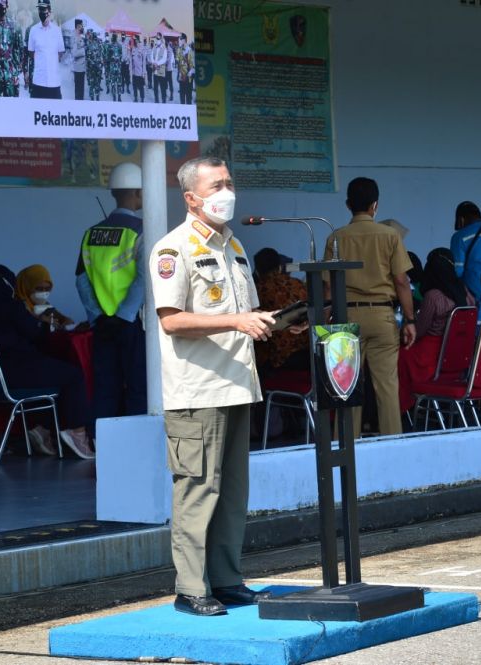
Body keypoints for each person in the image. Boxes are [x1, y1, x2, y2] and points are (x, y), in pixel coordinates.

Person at [149, 156, 275, 617]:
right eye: (216, 185)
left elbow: (245, 316)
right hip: (198, 391)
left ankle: (227, 579)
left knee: (233, 492)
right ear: (191, 198)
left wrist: (278, 324)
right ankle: (190, 588)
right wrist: (237, 320)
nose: (227, 191)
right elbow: (172, 319)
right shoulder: (172, 249)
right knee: (197, 489)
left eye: (228, 182)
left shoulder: (235, 247)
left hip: (238, 385)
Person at [0, 265, 93, 459]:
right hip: (16, 371)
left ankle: (39, 428)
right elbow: (35, 333)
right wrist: (42, 323)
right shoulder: (9, 306)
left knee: (49, 371)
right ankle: (77, 431)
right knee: (73, 375)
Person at [324, 177, 416, 439]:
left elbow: (328, 287)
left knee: (346, 387)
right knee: (386, 387)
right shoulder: (390, 236)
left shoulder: (336, 238)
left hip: (345, 315)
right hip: (382, 316)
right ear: (375, 205)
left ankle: (345, 447)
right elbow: (401, 281)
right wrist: (410, 320)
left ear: (347, 205)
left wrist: (326, 321)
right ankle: (392, 445)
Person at [76, 162, 147, 423]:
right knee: (138, 387)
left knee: (105, 388)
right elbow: (144, 280)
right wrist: (123, 316)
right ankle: (136, 447)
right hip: (132, 324)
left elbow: (81, 280)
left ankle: (103, 447)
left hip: (102, 326)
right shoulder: (141, 232)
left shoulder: (91, 234)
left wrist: (98, 316)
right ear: (139, 193)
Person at [397, 248, 474, 413]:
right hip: (455, 356)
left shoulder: (433, 296)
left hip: (430, 356)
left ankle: (402, 408)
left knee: (399, 355)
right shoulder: (466, 293)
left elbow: (420, 331)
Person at [252, 248, 309, 374]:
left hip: (276, 359)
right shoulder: (298, 284)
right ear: (279, 267)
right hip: (306, 353)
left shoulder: (257, 289)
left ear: (257, 270)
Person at [15, 265, 74, 330]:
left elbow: (63, 318)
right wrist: (39, 320)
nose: (44, 292)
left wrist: (66, 322)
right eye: (39, 288)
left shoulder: (45, 305)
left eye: (47, 288)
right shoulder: (16, 306)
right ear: (26, 287)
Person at [25, 0, 64, 99]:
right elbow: (31, 53)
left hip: (54, 82)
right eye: (40, 9)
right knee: (36, 112)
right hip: (39, 81)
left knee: (55, 112)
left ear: (49, 11)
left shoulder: (57, 31)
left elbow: (60, 53)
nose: (42, 12)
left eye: (44, 9)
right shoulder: (33, 30)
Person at [148, 33, 169, 103]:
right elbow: (151, 56)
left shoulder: (164, 48)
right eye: (156, 38)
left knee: (163, 88)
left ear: (161, 39)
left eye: (158, 38)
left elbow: (164, 59)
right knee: (155, 87)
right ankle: (156, 100)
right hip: (155, 71)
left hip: (161, 71)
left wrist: (157, 63)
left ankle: (163, 100)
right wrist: (153, 62)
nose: (157, 40)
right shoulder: (154, 47)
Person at [176, 33, 195, 104]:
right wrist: (178, 74)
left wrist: (188, 75)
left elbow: (193, 66)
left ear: (184, 40)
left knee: (188, 97)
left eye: (180, 39)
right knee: (182, 96)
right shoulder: (179, 49)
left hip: (188, 77)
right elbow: (178, 61)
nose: (179, 40)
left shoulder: (189, 50)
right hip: (181, 76)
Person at [84, 30, 102, 101]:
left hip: (95, 66)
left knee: (95, 82)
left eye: (91, 34)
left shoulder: (96, 44)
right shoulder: (88, 44)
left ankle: (95, 97)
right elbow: (86, 57)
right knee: (94, 83)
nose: (90, 35)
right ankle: (94, 97)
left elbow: (100, 55)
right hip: (92, 67)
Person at [70, 19, 85, 100]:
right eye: (81, 26)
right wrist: (84, 51)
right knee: (78, 89)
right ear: (77, 26)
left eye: (82, 26)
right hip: (77, 67)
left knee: (81, 89)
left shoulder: (82, 35)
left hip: (83, 67)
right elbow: (74, 53)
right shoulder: (73, 36)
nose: (82, 27)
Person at [106, 33, 122, 102]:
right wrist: (111, 58)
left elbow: (121, 55)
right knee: (113, 82)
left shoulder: (119, 46)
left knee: (119, 82)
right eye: (113, 37)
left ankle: (119, 96)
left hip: (118, 66)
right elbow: (107, 56)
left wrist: (118, 58)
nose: (114, 38)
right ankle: (114, 96)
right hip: (112, 66)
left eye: (115, 37)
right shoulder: (109, 46)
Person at [130, 34, 146, 102]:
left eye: (136, 40)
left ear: (138, 40)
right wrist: (130, 70)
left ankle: (142, 98)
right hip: (134, 71)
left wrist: (144, 72)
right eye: (134, 40)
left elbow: (144, 62)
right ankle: (135, 97)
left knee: (141, 86)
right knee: (134, 86)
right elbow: (131, 60)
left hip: (140, 72)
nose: (135, 41)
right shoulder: (133, 49)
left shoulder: (142, 49)